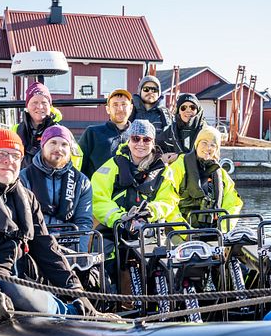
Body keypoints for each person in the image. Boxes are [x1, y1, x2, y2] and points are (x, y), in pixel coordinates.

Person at [0, 129, 105, 321]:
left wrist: (75, 290)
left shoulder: (26, 198)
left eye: (15, 156)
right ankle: (71, 315)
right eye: (1, 154)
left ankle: (75, 310)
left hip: (14, 278)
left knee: (20, 287)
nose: (9, 160)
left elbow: (46, 248)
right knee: (12, 289)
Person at [91, 120, 180, 282]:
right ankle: (111, 302)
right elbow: (98, 197)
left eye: (146, 139)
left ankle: (160, 303)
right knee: (104, 265)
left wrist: (149, 213)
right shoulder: (112, 165)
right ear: (128, 140)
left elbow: (169, 200)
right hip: (115, 229)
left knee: (166, 270)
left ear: (153, 142)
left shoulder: (164, 171)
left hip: (150, 231)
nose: (141, 143)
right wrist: (120, 218)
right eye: (135, 138)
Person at [20, 125, 93, 250]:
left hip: (70, 246)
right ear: (43, 146)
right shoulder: (24, 177)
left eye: (64, 144)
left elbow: (83, 222)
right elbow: (21, 219)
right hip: (35, 246)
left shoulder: (82, 182)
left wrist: (78, 256)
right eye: (53, 142)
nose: (58, 148)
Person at [170, 126, 242, 231]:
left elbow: (233, 204)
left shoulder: (220, 173)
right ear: (196, 144)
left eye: (213, 145)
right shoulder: (178, 166)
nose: (208, 148)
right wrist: (186, 231)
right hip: (181, 231)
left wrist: (222, 229)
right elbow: (168, 202)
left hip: (213, 231)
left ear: (216, 150)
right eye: (204, 143)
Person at [79, 89, 133, 179]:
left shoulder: (138, 137)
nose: (120, 109)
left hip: (129, 191)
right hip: (97, 191)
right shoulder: (92, 133)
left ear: (131, 108)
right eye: (115, 105)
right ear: (108, 109)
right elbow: (79, 167)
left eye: (124, 104)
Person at [13, 81, 62, 168]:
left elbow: (75, 159)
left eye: (44, 103)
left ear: (50, 106)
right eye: (34, 102)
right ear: (27, 106)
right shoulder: (15, 131)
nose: (39, 107)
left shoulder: (60, 132)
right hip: (20, 180)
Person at [157, 93, 207, 163]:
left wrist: (180, 157)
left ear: (198, 110)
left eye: (192, 107)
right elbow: (156, 148)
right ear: (178, 111)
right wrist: (162, 157)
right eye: (183, 108)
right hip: (175, 172)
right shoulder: (169, 130)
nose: (188, 110)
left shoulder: (206, 131)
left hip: (200, 172)